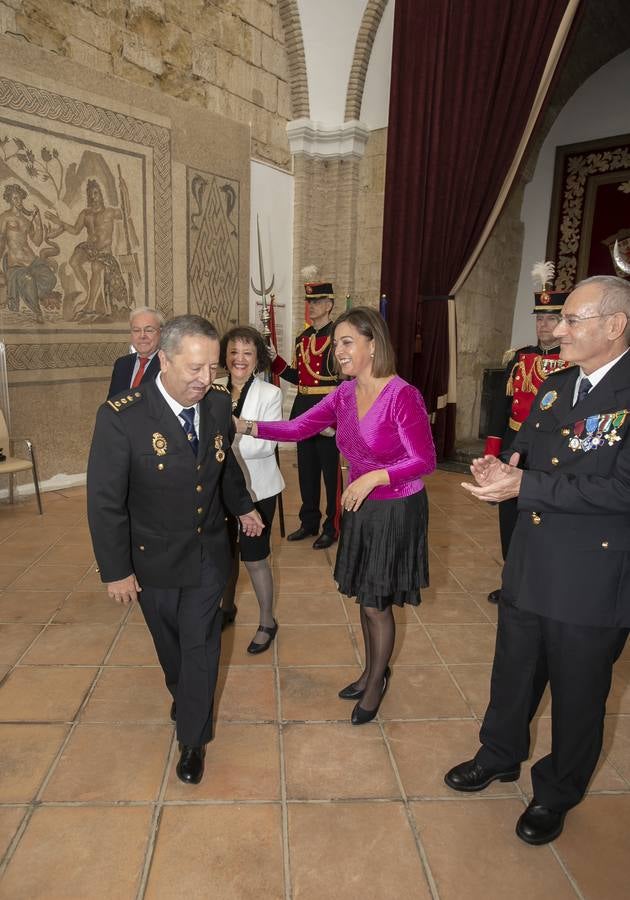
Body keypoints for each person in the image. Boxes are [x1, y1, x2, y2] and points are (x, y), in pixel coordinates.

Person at [444, 275, 630, 845]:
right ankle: (499, 753)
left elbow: (622, 490)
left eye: (574, 320)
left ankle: (555, 792)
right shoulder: (555, 386)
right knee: (514, 672)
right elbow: (529, 449)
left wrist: (526, 486)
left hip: (591, 575)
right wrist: (500, 471)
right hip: (531, 560)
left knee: (578, 694)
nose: (559, 329)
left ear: (615, 326)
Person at [237, 306, 436, 724]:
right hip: (362, 506)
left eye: (346, 342)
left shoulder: (403, 395)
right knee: (366, 597)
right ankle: (370, 672)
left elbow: (425, 460)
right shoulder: (344, 394)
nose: (337, 351)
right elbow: (297, 428)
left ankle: (376, 680)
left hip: (396, 508)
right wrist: (245, 425)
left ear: (373, 344)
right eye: (337, 343)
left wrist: (373, 477)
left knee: (378, 602)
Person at [87, 314, 263, 785]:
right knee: (171, 648)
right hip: (153, 559)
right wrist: (115, 570)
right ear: (164, 360)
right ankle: (183, 692)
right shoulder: (122, 416)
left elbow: (223, 467)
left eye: (213, 369)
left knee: (202, 644)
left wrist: (243, 507)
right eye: (194, 369)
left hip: (208, 554)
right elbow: (104, 502)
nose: (206, 380)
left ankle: (193, 738)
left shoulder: (216, 403)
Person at [484, 270, 569, 603]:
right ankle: (512, 583)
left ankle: (540, 585)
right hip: (515, 447)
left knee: (542, 520)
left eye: (552, 317)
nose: (544, 325)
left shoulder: (572, 364)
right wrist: (494, 452)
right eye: (540, 318)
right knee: (510, 519)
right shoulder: (518, 358)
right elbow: (500, 411)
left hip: (551, 452)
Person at [218, 325, 285, 652]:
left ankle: (267, 621)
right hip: (218, 490)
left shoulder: (270, 394)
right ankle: (226, 608)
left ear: (257, 358)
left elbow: (266, 446)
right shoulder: (212, 387)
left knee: (254, 558)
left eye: (246, 352)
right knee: (224, 554)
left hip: (258, 490)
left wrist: (218, 449)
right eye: (233, 352)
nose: (239, 359)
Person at [269, 277, 341, 549]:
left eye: (318, 301)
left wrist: (336, 420)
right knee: (306, 471)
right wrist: (274, 359)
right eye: (309, 302)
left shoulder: (339, 336)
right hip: (304, 411)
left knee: (331, 474)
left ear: (330, 304)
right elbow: (299, 377)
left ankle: (332, 526)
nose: (311, 306)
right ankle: (308, 521)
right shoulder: (304, 338)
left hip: (328, 412)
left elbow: (346, 383)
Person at [46, 178, 129, 320]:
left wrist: (125, 192)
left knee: (97, 266)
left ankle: (90, 305)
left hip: (104, 251)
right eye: (90, 194)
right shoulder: (85, 214)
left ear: (101, 194)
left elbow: (126, 213)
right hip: (89, 248)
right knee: (74, 260)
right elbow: (74, 230)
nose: (93, 197)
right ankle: (87, 290)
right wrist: (59, 222)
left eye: (96, 193)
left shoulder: (110, 212)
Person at [0, 183, 56, 323]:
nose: (18, 202)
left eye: (20, 198)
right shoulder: (5, 217)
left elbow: (36, 241)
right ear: (9, 200)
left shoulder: (26, 220)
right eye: (15, 199)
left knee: (50, 278)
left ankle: (35, 295)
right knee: (28, 280)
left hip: (32, 260)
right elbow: (0, 240)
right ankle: (37, 311)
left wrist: (38, 223)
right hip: (16, 263)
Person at [107, 306, 163, 399]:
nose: (142, 336)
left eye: (149, 330)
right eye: (136, 330)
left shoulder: (168, 365)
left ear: (161, 333)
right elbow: (112, 403)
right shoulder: (121, 364)